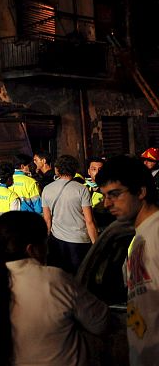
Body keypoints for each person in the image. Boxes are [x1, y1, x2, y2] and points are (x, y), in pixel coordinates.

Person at [0, 211, 109, 365]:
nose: (48, 250)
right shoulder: (55, 279)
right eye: (45, 243)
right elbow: (101, 323)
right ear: (31, 249)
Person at [97, 155, 159, 365]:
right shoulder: (138, 237)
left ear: (141, 192)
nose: (107, 204)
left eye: (114, 195)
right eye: (104, 196)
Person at [42, 154, 97, 274]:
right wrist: (95, 244)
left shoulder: (47, 189)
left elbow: (47, 220)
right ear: (75, 170)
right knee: (79, 276)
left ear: (57, 169)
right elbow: (89, 221)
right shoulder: (82, 189)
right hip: (79, 241)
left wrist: (45, 242)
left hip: (57, 241)